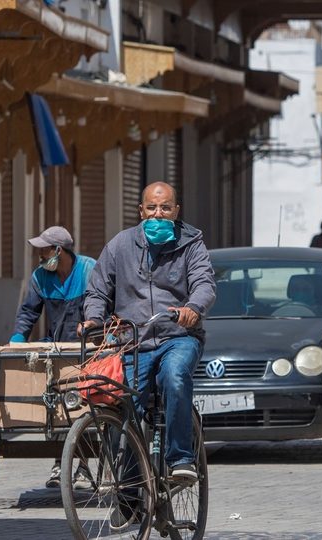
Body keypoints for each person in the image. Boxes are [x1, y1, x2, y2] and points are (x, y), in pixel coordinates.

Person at [80, 181, 215, 486]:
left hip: (177, 337)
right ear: (140, 211)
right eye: (151, 208)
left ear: (175, 211)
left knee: (175, 376)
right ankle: (128, 489)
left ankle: (180, 459)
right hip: (132, 342)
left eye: (165, 208)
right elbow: (98, 289)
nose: (158, 214)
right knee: (120, 406)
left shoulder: (191, 243)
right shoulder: (120, 245)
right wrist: (93, 319)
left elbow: (205, 283)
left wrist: (193, 307)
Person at [9, 225, 96, 489]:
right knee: (56, 407)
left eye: (43, 251)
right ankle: (60, 464)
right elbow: (28, 312)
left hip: (88, 349)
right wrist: (17, 339)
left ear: (58, 250)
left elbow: (103, 302)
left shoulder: (89, 271)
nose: (39, 257)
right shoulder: (41, 277)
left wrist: (94, 325)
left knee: (84, 406)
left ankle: (83, 467)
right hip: (58, 349)